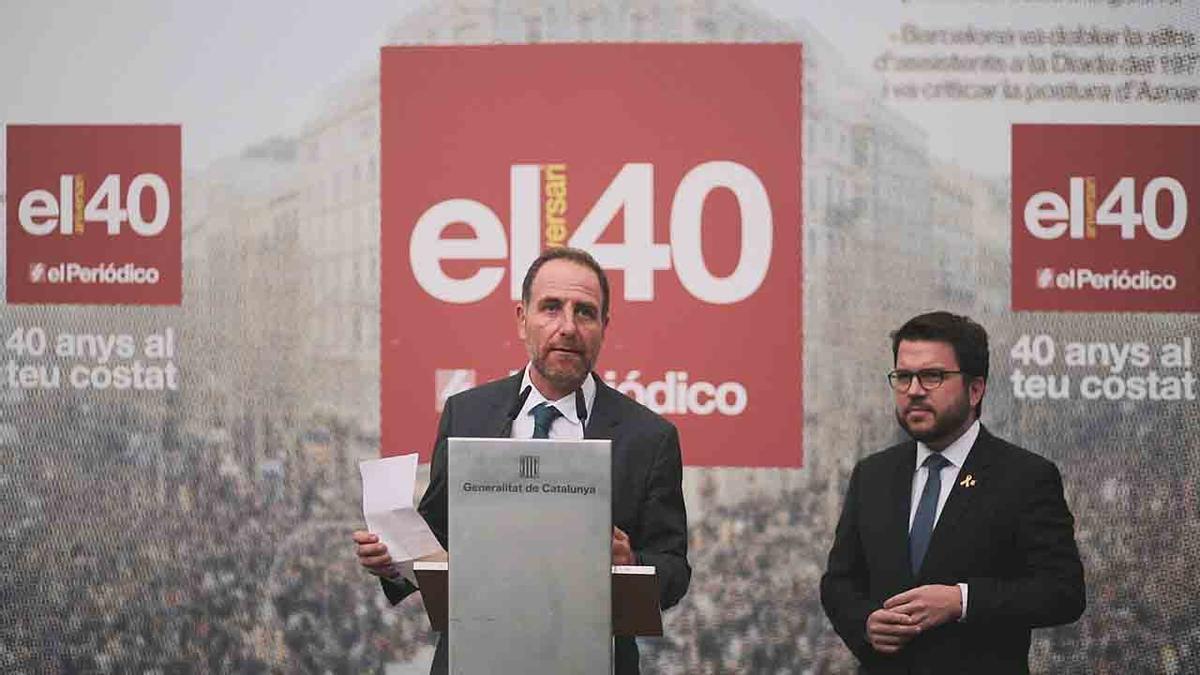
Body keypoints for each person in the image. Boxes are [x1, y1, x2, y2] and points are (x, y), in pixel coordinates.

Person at [353, 246, 690, 675]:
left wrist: (632, 566)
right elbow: (435, 535)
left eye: (585, 313)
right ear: (521, 318)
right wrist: (393, 559)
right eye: (551, 308)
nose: (567, 327)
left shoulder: (650, 438)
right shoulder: (466, 413)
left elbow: (675, 569)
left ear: (604, 327)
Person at [820, 311, 1085, 674]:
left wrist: (961, 600)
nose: (913, 390)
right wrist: (865, 624)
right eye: (903, 376)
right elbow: (839, 582)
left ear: (975, 389)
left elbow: (1062, 592)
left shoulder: (1025, 477)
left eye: (933, 376)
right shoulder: (873, 474)